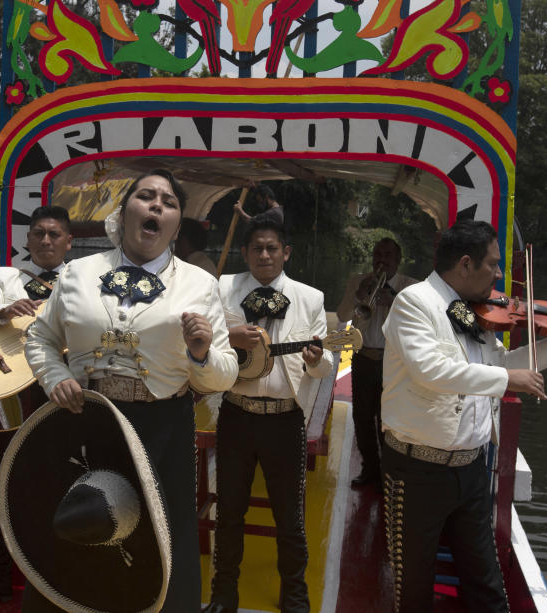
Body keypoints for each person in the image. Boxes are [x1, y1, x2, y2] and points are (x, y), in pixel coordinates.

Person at [24, 169, 239, 612]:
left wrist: (201, 353)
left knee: (156, 547)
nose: (157, 204)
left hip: (161, 431)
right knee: (77, 532)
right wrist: (55, 377)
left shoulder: (201, 285)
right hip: (85, 422)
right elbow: (40, 338)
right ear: (124, 215)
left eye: (169, 201)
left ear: (176, 224)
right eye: (146, 196)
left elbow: (223, 376)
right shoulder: (78, 274)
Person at [381, 220, 547, 612]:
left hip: (471, 469)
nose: (500, 276)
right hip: (417, 471)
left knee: (487, 586)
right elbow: (431, 371)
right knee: (414, 589)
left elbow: (501, 363)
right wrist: (506, 378)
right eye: (493, 264)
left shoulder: (474, 312)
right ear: (466, 264)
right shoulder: (414, 303)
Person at [203, 219, 334, 613]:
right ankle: (224, 595)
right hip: (236, 414)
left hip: (285, 418)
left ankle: (295, 596)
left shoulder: (310, 298)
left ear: (286, 253)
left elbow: (325, 360)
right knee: (229, 510)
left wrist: (317, 360)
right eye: (257, 248)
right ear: (245, 253)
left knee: (289, 514)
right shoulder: (223, 288)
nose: (264, 255)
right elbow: (202, 338)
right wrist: (230, 338)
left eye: (272, 248)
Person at [0, 205, 73, 609]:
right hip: (13, 395)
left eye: (54, 235)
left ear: (68, 242)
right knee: (5, 487)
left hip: (63, 398)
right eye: (38, 234)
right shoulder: (7, 277)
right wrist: (4, 311)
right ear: (26, 241)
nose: (45, 241)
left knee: (62, 488)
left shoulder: (82, 282)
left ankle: (57, 582)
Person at [335, 238, 417, 487]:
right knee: (362, 417)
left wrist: (393, 301)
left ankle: (389, 473)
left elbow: (417, 322)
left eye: (388, 255)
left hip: (394, 362)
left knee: (389, 419)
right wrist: (359, 294)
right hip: (363, 357)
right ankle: (369, 469)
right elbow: (342, 316)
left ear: (398, 260)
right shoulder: (358, 281)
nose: (381, 259)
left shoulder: (410, 287)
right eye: (377, 254)